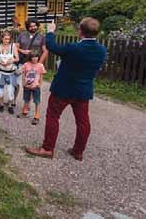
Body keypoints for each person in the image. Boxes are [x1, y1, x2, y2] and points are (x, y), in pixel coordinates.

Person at [25, 18, 107, 161]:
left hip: (62, 89)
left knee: (53, 116)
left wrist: (50, 31)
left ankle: (47, 148)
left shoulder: (73, 47)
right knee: (83, 121)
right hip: (83, 90)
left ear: (80, 31)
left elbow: (51, 46)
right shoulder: (102, 50)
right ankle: (78, 151)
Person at [14, 19, 48, 111]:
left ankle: (27, 103)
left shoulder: (41, 37)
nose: (33, 27)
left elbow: (45, 51)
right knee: (17, 83)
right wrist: (22, 51)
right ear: (27, 27)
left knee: (31, 83)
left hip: (33, 65)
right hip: (22, 62)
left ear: (37, 26)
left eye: (34, 25)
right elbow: (16, 47)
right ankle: (13, 100)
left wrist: (39, 63)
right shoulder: (22, 35)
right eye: (31, 26)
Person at [0, 31, 19, 114]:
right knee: (0, 90)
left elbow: (17, 58)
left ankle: (10, 105)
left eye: (8, 39)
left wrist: (11, 61)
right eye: (5, 39)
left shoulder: (13, 46)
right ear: (2, 38)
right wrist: (0, 63)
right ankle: (1, 105)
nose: (7, 40)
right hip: (0, 71)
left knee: (11, 90)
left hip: (10, 71)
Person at [17, 51, 46, 125]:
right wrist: (23, 82)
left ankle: (37, 116)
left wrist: (40, 84)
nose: (34, 58)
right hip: (27, 86)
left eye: (36, 57)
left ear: (38, 57)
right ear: (30, 57)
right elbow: (23, 73)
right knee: (26, 100)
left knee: (37, 101)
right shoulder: (26, 64)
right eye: (32, 57)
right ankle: (25, 112)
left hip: (35, 86)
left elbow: (41, 75)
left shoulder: (40, 65)